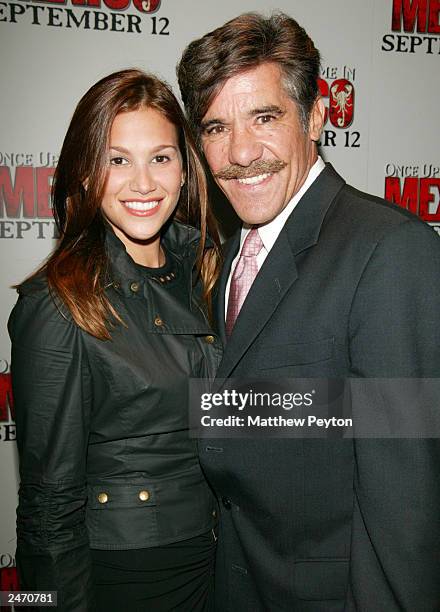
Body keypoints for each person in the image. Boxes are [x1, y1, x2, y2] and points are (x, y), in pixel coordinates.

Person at [177, 12, 440, 611]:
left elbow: (405, 504)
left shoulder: (389, 252)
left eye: (264, 118)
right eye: (216, 127)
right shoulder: (226, 249)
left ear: (316, 117)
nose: (240, 153)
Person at [8, 68, 223, 611]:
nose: (144, 182)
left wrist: (374, 410)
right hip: (126, 575)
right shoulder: (59, 303)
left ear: (184, 167)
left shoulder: (210, 272)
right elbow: (46, 506)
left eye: (161, 157)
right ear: (85, 172)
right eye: (117, 159)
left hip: (219, 556)